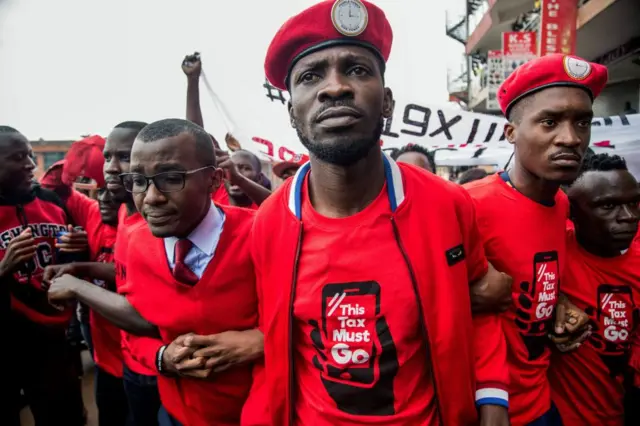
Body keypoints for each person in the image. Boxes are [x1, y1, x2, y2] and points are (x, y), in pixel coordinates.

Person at [253, 1, 510, 425]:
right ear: (292, 112)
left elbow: (481, 304)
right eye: (310, 76)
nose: (334, 88)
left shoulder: (448, 204)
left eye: (356, 70)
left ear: (387, 102)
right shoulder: (268, 223)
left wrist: (493, 398)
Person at [47, 119, 264, 426]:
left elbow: (315, 327)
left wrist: (260, 341)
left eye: (171, 178)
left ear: (215, 180)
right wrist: (163, 357)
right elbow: (139, 326)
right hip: (175, 413)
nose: (150, 198)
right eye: (137, 180)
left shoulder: (263, 235)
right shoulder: (136, 241)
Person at [464, 53, 608, 425]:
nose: (571, 138)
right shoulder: (470, 205)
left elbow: (532, 274)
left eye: (582, 123)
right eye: (549, 122)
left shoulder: (561, 203)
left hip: (542, 398)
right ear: (511, 132)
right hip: (487, 410)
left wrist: (561, 307)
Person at [45, 121, 163, 426]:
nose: (110, 167)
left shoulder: (161, 225)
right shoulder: (125, 211)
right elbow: (125, 275)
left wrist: (77, 285)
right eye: (107, 156)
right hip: (121, 359)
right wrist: (78, 265)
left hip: (155, 370)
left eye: (123, 157)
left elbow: (151, 321)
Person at [0, 126, 86, 426]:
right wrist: (3, 267)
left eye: (28, 154)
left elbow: (71, 259)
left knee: (64, 416)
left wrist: (77, 249)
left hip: (51, 339)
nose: (28, 163)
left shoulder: (50, 201)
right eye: (17, 157)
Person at [548, 153, 640, 426]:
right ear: (572, 212)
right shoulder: (550, 251)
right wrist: (558, 300)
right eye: (608, 205)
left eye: (635, 203)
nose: (628, 217)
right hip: (552, 416)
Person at [181, 52, 271, 208]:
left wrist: (238, 178)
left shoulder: (266, 208)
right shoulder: (216, 197)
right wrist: (192, 80)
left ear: (260, 178)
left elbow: (277, 207)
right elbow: (195, 135)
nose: (235, 172)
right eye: (231, 167)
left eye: (245, 168)